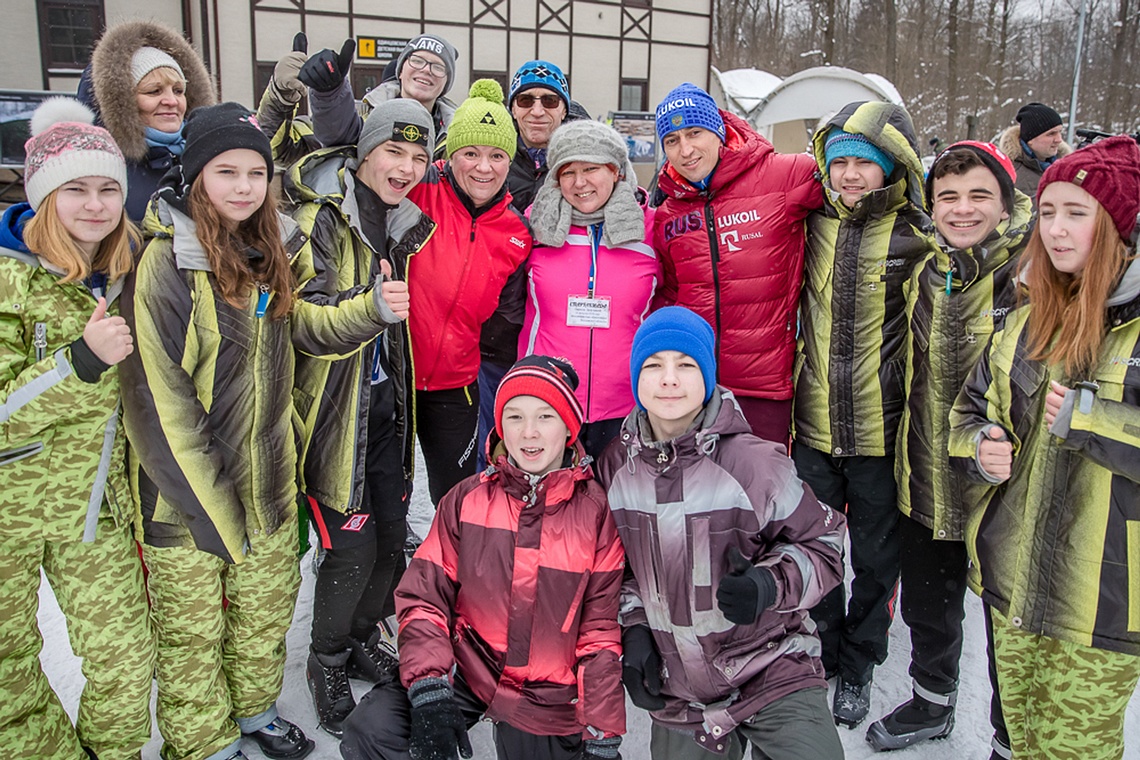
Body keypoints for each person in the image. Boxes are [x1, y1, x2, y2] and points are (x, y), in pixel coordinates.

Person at [119, 102, 403, 760]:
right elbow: (161, 408)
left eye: (255, 173)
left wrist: (371, 310)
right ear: (196, 178)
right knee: (193, 639)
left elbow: (299, 327)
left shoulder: (260, 260)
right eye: (227, 172)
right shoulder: (166, 267)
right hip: (188, 504)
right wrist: (217, 514)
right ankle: (204, 745)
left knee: (262, 618)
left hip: (269, 488)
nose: (244, 187)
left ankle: (252, 713)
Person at [949, 135, 1140, 760]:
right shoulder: (1028, 312)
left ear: (1117, 225)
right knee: (1021, 739)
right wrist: (981, 445)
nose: (1055, 230)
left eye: (1076, 213)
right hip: (1012, 582)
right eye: (1049, 211)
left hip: (1101, 606)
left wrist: (1094, 421)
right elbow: (968, 409)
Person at [340, 355, 626, 760]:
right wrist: (429, 686)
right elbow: (425, 596)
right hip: (468, 667)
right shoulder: (467, 499)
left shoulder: (596, 514)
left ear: (568, 427)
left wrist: (603, 731)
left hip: (546, 692)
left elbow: (600, 632)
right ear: (499, 425)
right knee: (375, 731)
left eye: (545, 416)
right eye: (515, 416)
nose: (529, 432)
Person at [596, 306, 848, 760]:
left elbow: (826, 545)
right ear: (635, 377)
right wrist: (633, 630)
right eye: (653, 366)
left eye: (686, 365)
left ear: (708, 376)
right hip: (683, 691)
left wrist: (768, 584)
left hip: (772, 669)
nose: (669, 379)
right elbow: (619, 571)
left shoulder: (755, 464)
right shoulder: (616, 468)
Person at [0, 97, 155, 760]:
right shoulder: (9, 279)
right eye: (76, 190)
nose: (95, 205)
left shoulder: (125, 271)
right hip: (10, 510)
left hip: (95, 510)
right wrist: (80, 364)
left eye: (108, 189)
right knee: (9, 675)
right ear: (41, 194)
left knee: (125, 659)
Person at [865, 141, 1032, 756]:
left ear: (1007, 202)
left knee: (1005, 625)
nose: (962, 211)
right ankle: (931, 702)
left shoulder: (1031, 275)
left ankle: (1009, 735)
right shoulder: (926, 271)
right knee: (930, 606)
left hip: (1002, 486)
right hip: (925, 473)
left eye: (979, 196)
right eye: (948, 198)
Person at [285, 98, 437, 736]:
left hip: (385, 414)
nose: (404, 166)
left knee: (389, 545)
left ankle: (354, 641)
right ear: (364, 152)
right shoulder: (318, 218)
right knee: (350, 550)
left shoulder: (404, 222)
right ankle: (324, 659)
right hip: (330, 420)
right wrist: (368, 305)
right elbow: (303, 320)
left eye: (417, 154)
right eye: (392, 151)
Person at [794, 101, 932, 727]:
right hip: (814, 426)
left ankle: (860, 659)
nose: (849, 175)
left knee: (877, 561)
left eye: (863, 164)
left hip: (880, 431)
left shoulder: (915, 236)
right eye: (839, 162)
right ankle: (821, 651)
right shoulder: (809, 224)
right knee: (817, 548)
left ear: (891, 169)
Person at [651, 83, 822, 446]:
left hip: (765, 388)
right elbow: (667, 293)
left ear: (719, 131)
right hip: (697, 385)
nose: (685, 150)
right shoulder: (668, 214)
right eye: (672, 140)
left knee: (763, 492)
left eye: (694, 133)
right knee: (703, 497)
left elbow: (852, 184)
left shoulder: (786, 175)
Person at [523, 119, 661, 459]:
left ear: (615, 171)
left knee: (618, 507)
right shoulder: (534, 225)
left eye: (591, 168)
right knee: (555, 508)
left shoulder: (652, 227)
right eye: (567, 172)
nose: (579, 182)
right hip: (548, 397)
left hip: (627, 403)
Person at [80, 19, 217, 220]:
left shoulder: (207, 159)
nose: (172, 101)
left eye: (179, 91)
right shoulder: (97, 169)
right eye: (154, 91)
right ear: (122, 102)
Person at [298, 33, 460, 161]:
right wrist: (329, 94)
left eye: (438, 67)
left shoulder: (459, 130)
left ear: (446, 83)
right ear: (401, 71)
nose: (426, 70)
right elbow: (337, 136)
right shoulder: (362, 113)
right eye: (417, 61)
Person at [997, 102, 1071, 199]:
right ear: (1030, 139)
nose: (1059, 139)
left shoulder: (1068, 170)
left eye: (1059, 132)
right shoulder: (1008, 174)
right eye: (1051, 134)